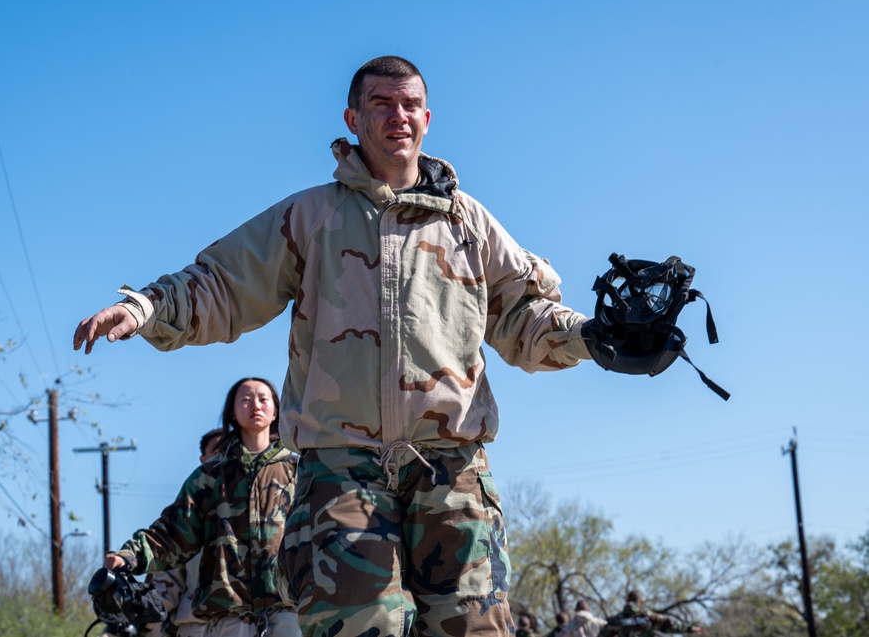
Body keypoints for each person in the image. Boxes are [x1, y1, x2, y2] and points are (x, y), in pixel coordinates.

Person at [74, 55, 591, 637]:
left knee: (476, 630)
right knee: (357, 628)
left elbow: (524, 316)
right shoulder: (312, 216)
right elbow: (225, 282)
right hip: (341, 470)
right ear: (352, 117)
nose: (398, 115)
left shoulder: (468, 223)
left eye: (409, 104)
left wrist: (597, 338)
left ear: (427, 117)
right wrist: (146, 306)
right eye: (380, 104)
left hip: (451, 468)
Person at [103, 378, 299, 637]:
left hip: (290, 614)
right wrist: (129, 555)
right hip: (231, 617)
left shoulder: (300, 471)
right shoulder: (209, 475)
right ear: (232, 411)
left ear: (276, 410)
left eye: (264, 399)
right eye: (245, 399)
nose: (255, 405)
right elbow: (171, 531)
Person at [142, 429, 225, 637]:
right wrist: (133, 619)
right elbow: (165, 586)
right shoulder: (189, 517)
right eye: (217, 451)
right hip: (196, 627)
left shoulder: (262, 513)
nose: (223, 457)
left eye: (229, 450)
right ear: (203, 459)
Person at [599, 591, 704, 636]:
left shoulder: (617, 620)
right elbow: (670, 624)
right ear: (641, 602)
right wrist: (691, 629)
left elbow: (603, 634)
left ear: (627, 602)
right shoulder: (649, 617)